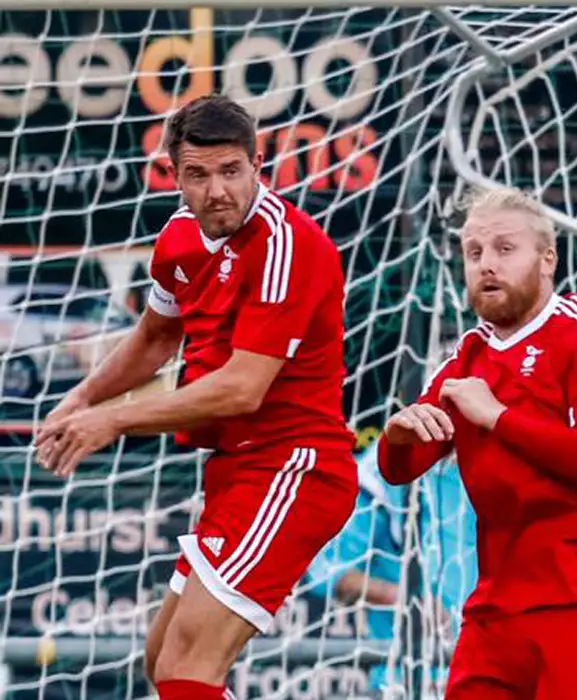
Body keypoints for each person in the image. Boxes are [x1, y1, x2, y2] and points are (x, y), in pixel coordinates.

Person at [34, 95, 358, 700]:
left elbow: (242, 388)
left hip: (294, 467)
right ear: (175, 176)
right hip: (238, 471)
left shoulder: (288, 244)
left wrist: (113, 421)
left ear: (257, 165)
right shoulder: (179, 238)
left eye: (231, 171)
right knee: (164, 663)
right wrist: (81, 398)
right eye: (198, 175)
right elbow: (156, 338)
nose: (217, 191)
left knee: (188, 669)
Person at [377, 187, 577, 700]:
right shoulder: (466, 358)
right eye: (474, 252)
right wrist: (397, 436)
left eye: (505, 249)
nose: (486, 264)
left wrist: (499, 418)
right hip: (497, 610)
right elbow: (401, 468)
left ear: (548, 259)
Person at [304, 442, 477, 694]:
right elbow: (327, 570)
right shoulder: (387, 460)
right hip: (409, 678)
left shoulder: (509, 452)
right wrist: (405, 599)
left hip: (496, 670)